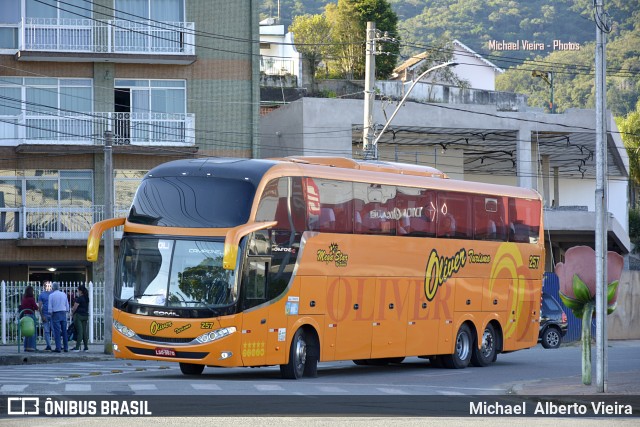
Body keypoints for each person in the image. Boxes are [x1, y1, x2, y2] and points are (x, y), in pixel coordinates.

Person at [48, 282, 69, 353]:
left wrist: (50, 313)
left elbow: (50, 307)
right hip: (63, 312)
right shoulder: (64, 294)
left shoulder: (51, 295)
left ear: (53, 288)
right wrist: (67, 310)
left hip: (56, 313)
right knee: (64, 331)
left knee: (57, 331)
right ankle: (66, 347)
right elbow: (67, 305)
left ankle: (58, 347)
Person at [71, 285, 89, 352]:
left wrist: (72, 313)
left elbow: (75, 307)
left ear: (80, 291)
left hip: (79, 316)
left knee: (80, 332)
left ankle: (77, 347)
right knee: (84, 332)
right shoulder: (87, 298)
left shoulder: (79, 298)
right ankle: (86, 347)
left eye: (78, 290)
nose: (77, 292)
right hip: (85, 316)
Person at [20, 285, 39, 352]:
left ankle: (26, 346)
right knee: (32, 331)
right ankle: (32, 347)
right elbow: (36, 307)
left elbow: (22, 306)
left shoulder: (24, 299)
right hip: (31, 315)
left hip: (25, 315)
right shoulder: (31, 299)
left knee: (26, 331)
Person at [37, 281, 53, 351]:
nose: (47, 287)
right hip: (46, 314)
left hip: (52, 314)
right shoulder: (42, 295)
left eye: (49, 285)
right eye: (46, 285)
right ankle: (49, 345)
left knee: (54, 330)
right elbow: (39, 306)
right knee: (47, 331)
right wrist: (42, 316)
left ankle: (57, 345)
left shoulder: (53, 294)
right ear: (44, 287)